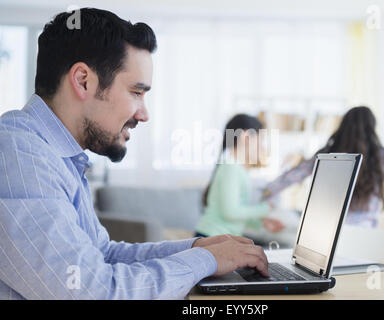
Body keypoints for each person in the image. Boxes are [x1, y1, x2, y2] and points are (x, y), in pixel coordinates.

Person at [0, 8, 269, 300]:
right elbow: (92, 291)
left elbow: (103, 254)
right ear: (82, 81)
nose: (144, 114)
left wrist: (196, 249)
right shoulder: (19, 156)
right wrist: (207, 261)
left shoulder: (56, 156)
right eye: (136, 92)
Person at [262, 106, 384, 229]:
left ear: (343, 126)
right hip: (365, 237)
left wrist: (265, 193)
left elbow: (293, 176)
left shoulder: (328, 154)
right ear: (373, 129)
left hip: (328, 232)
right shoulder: (378, 159)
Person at [195, 114, 284, 238]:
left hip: (219, 237)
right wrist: (265, 208)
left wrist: (261, 223)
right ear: (246, 137)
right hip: (210, 236)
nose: (262, 147)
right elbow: (230, 212)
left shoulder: (238, 169)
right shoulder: (231, 168)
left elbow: (235, 213)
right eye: (260, 140)